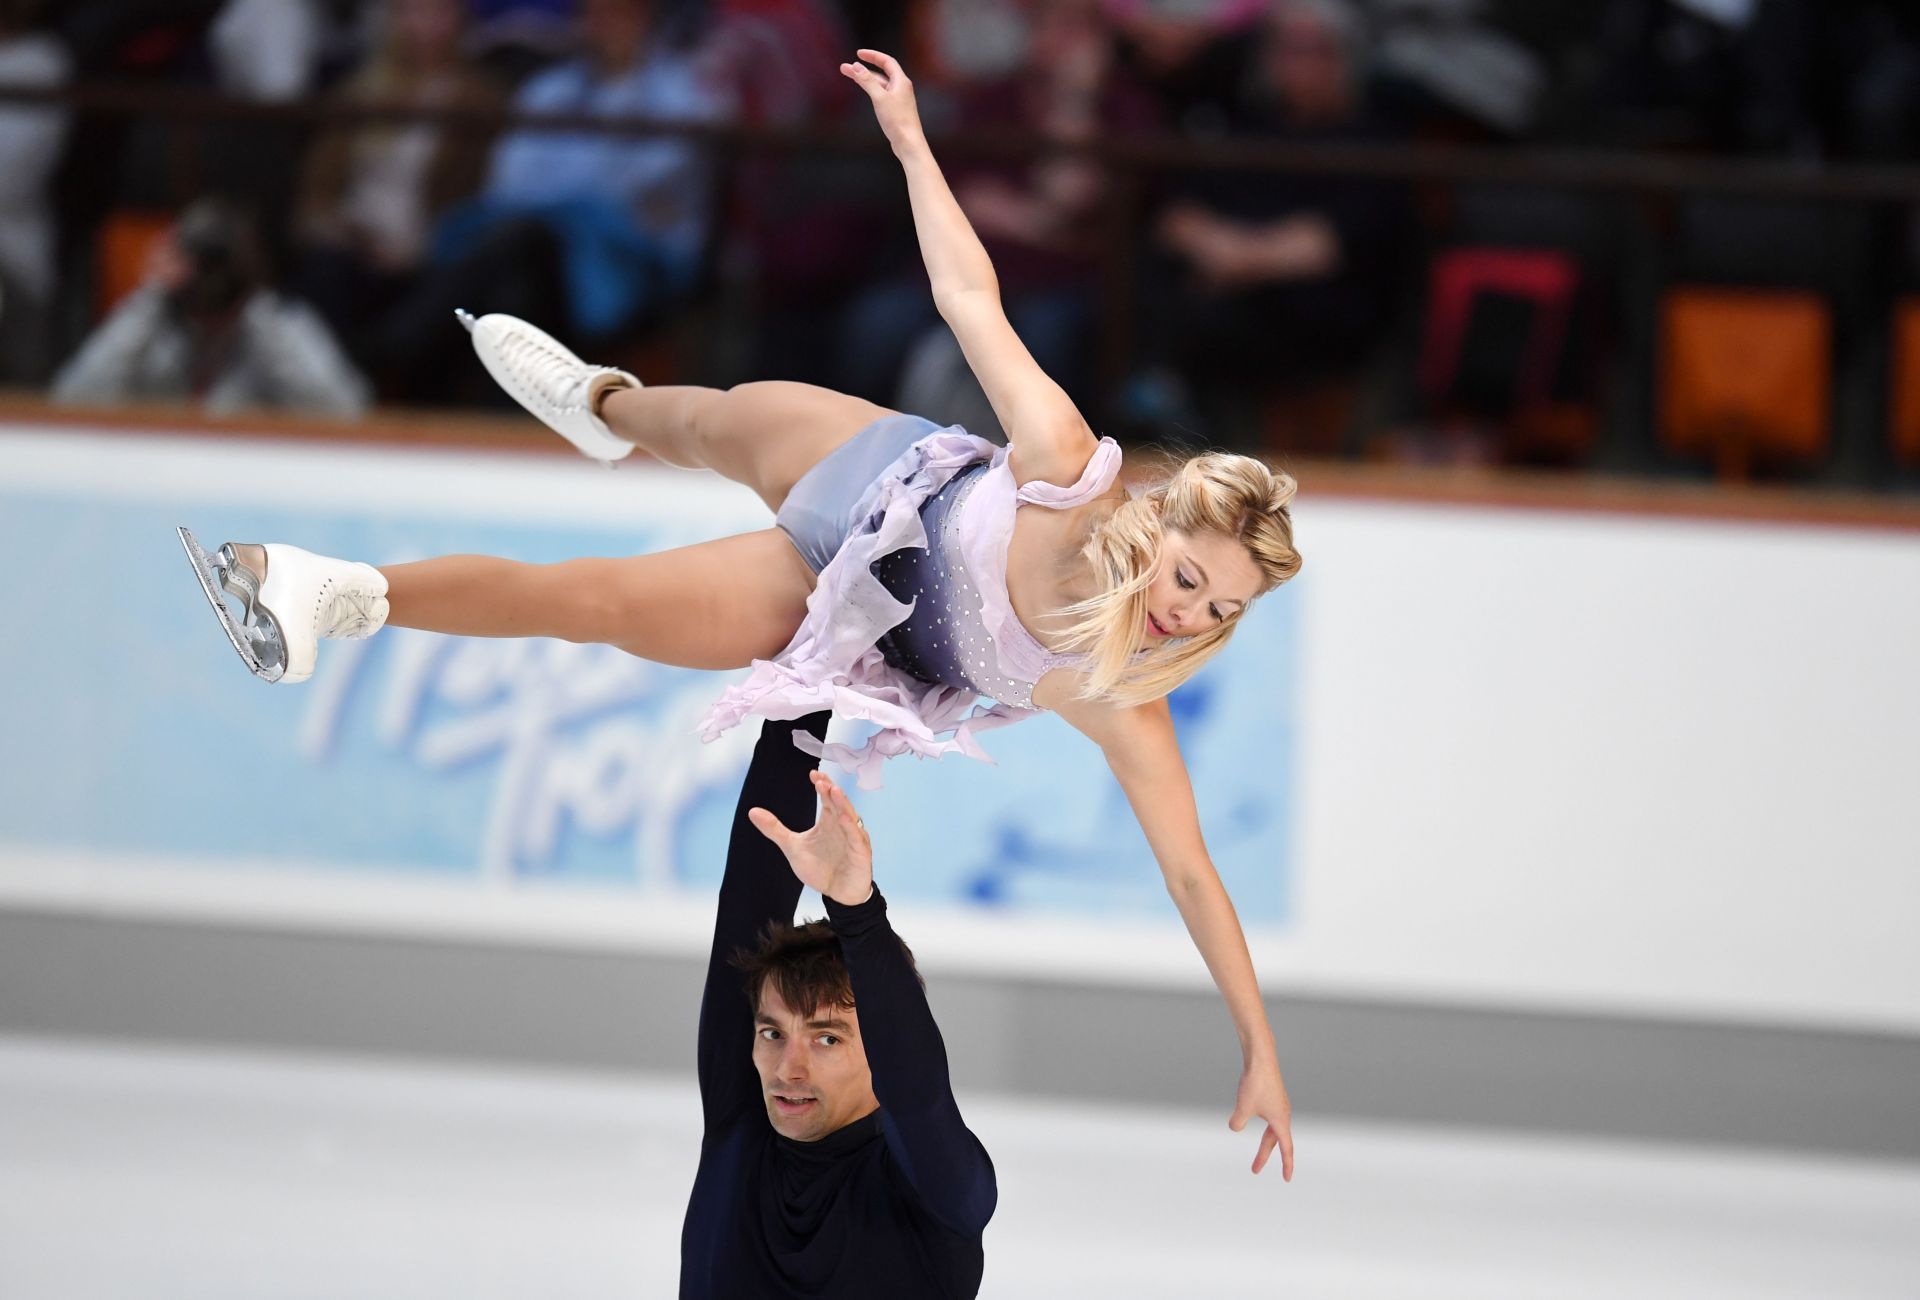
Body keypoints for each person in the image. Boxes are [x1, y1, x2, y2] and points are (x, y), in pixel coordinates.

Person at [183, 50, 1298, 1179]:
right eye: (1192, 579)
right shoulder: (1066, 469)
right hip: (867, 464)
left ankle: (334, 594)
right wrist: (913, 143)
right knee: (702, 424)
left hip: (837, 600)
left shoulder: (1121, 697)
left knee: (597, 602)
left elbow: (1194, 873)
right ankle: (601, 403)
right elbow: (971, 299)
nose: (1188, 615)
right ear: (1161, 528)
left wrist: (1258, 1041)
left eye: (1223, 609)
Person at [683, 711, 994, 1297]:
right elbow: (750, 895)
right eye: (773, 1033)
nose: (786, 1070)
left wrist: (857, 910)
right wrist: (802, 694)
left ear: (878, 1043)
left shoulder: (940, 1193)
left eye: (827, 1038)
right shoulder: (741, 1129)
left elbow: (919, 1090)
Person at [54, 198, 371, 417]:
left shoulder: (278, 327)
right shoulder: (150, 323)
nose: (209, 289)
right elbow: (71, 401)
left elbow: (346, 412)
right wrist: (150, 297)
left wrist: (251, 302)